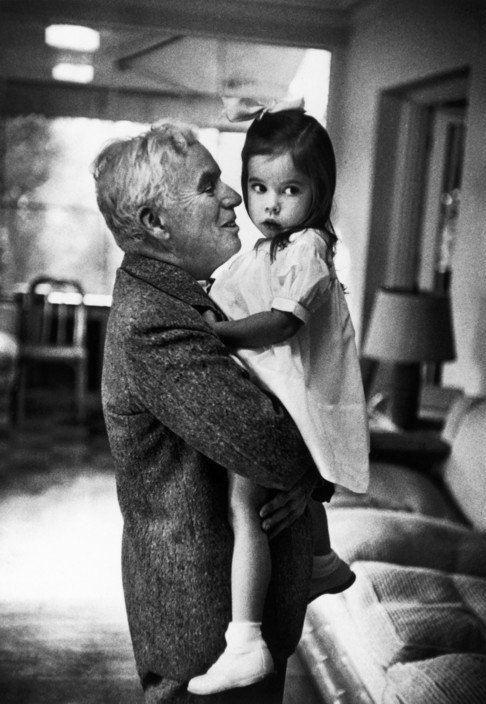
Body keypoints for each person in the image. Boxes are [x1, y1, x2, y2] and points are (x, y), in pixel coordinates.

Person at [92, 120, 328, 704]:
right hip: (205, 636)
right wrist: (315, 466)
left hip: (230, 627)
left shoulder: (194, 298)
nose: (232, 197)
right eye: (208, 185)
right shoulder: (155, 320)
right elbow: (270, 443)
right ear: (155, 223)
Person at [187, 101, 369, 696]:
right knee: (258, 499)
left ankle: (245, 640)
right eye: (258, 186)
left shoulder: (308, 249)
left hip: (297, 404)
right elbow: (226, 289)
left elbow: (279, 324)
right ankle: (321, 561)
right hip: (285, 399)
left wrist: (215, 334)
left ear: (319, 192)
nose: (269, 203)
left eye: (289, 188)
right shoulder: (270, 248)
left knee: (245, 505)